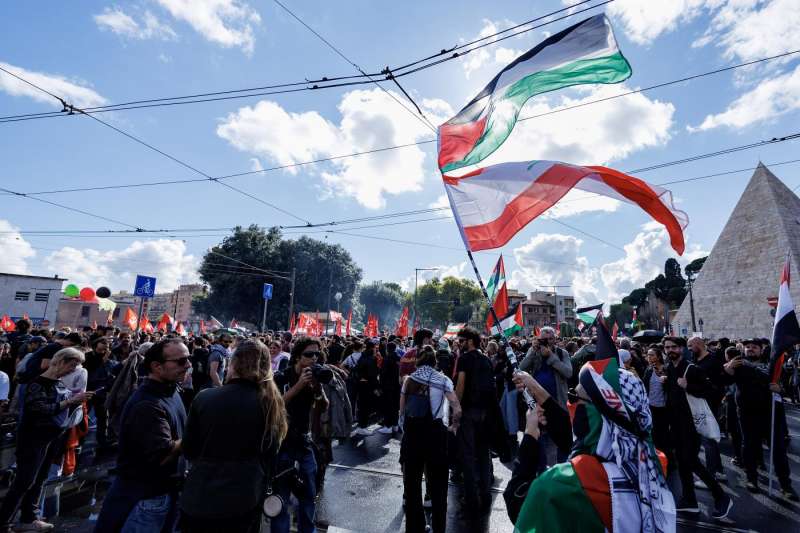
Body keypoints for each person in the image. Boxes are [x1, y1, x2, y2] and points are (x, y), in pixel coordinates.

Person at [506, 355, 676, 533]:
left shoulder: (561, 484)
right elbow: (575, 438)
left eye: (574, 396)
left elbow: (519, 505)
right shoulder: (652, 460)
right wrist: (533, 386)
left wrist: (530, 434)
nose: (570, 404)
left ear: (596, 412)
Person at [180, 340, 288, 532]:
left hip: (200, 495)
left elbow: (188, 449)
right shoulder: (271, 403)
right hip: (245, 498)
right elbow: (271, 453)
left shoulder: (205, 398)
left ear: (233, 363)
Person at [94, 339, 190, 532]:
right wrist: (197, 432)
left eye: (188, 359)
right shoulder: (147, 405)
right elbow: (163, 454)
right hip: (145, 499)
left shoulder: (171, 390)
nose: (188, 365)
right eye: (181, 361)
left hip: (164, 492)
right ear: (157, 366)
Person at [0, 348, 93, 532]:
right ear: (60, 361)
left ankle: (29, 517)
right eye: (71, 365)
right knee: (24, 481)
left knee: (40, 479)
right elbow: (39, 409)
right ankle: (4, 521)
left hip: (51, 438)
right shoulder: (38, 383)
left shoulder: (59, 383)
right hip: (32, 439)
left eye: (75, 367)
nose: (72, 370)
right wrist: (69, 402)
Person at [663, 337, 732, 519]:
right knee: (682, 462)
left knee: (691, 461)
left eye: (674, 347)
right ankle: (689, 501)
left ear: (681, 349)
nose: (670, 350)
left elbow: (712, 391)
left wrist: (689, 386)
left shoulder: (691, 369)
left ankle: (721, 497)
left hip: (691, 424)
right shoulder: (669, 368)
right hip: (676, 425)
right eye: (667, 347)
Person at [723, 338, 797, 499]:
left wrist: (780, 389)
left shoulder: (772, 364)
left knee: (778, 450)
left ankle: (786, 486)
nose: (750, 349)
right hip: (747, 413)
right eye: (747, 347)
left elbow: (785, 386)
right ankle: (751, 479)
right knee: (749, 447)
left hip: (771, 413)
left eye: (754, 347)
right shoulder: (737, 364)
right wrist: (727, 371)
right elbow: (725, 382)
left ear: (761, 348)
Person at [400, 345, 461, 533]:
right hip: (435, 434)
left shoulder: (409, 379)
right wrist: (453, 427)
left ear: (418, 361)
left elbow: (402, 411)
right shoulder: (442, 379)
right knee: (439, 485)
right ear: (435, 361)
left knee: (412, 484)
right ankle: (438, 527)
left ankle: (415, 527)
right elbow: (457, 408)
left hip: (412, 434)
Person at [273, 337, 328, 533]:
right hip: (282, 444)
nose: (314, 358)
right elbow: (274, 405)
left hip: (304, 443)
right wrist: (298, 386)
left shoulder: (314, 376)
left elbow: (323, 407)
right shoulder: (281, 377)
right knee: (281, 499)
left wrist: (318, 389)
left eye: (317, 354)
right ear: (297, 356)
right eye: (309, 354)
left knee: (308, 495)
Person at [454, 326, 495, 515]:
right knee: (484, 455)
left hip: (468, 413)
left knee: (468, 456)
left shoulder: (464, 359)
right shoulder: (487, 360)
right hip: (485, 414)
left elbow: (460, 386)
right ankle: (486, 495)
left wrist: (456, 409)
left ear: (469, 341)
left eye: (461, 340)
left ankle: (471, 500)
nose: (458, 344)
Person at [519, 326, 572, 467]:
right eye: (543, 340)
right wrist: (532, 351)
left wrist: (551, 357)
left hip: (558, 404)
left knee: (561, 441)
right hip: (538, 406)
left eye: (550, 339)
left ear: (555, 339)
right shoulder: (534, 353)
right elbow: (520, 369)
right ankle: (542, 473)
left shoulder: (562, 353)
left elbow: (568, 372)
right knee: (541, 441)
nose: (547, 342)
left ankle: (562, 471)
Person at [688, 336, 726, 482]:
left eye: (691, 346)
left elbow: (718, 385)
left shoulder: (714, 361)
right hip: (699, 405)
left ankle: (710, 477)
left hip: (710, 406)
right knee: (710, 440)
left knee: (708, 441)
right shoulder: (695, 360)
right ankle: (718, 470)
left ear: (698, 344)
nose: (689, 349)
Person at [85, 337, 118, 449]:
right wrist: (103, 360)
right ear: (95, 344)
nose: (106, 345)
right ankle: (79, 440)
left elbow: (112, 371)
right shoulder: (88, 356)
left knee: (103, 417)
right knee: (83, 416)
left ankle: (102, 440)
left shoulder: (111, 356)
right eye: (103, 343)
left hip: (102, 392)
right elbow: (90, 370)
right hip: (88, 390)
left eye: (107, 343)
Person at [643, 346, 672, 468]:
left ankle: (668, 462)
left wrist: (667, 380)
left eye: (652, 355)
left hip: (664, 408)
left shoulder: (667, 369)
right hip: (651, 407)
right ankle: (658, 460)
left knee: (664, 436)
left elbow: (673, 387)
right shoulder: (649, 370)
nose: (649, 357)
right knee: (654, 435)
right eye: (648, 355)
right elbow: (644, 387)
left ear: (659, 356)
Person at [378, 341, 401, 434]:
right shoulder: (399, 358)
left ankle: (388, 426)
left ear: (387, 349)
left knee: (388, 406)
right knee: (395, 406)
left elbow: (383, 374)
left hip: (388, 386)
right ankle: (395, 425)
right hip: (397, 385)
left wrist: (380, 385)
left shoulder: (387, 359)